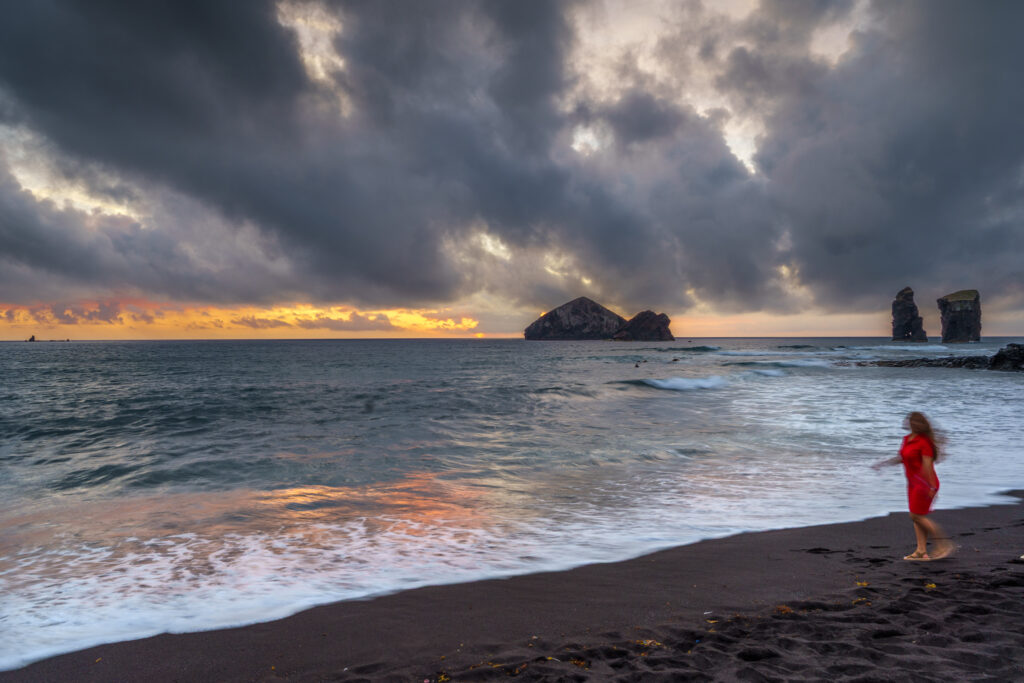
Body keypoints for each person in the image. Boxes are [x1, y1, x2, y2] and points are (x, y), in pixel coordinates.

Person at [873, 412, 953, 561]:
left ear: (920, 424)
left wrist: (932, 487)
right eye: (910, 421)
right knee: (917, 516)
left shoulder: (924, 442)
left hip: (924, 484)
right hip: (912, 483)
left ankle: (944, 544)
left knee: (915, 515)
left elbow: (928, 466)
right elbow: (901, 458)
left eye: (914, 422)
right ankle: (921, 551)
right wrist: (883, 464)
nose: (911, 424)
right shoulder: (907, 439)